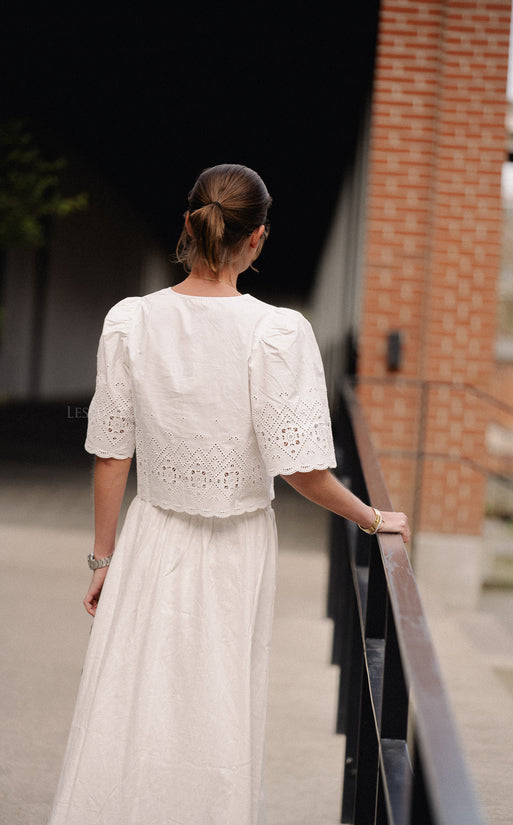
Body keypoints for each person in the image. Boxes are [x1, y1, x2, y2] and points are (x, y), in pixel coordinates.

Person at [48, 163, 409, 825]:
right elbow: (300, 470)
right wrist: (371, 516)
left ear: (188, 224)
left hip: (152, 535)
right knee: (216, 708)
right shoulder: (277, 333)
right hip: (237, 547)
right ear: (259, 239)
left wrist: (104, 560)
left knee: (135, 700)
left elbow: (112, 451)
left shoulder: (130, 321)